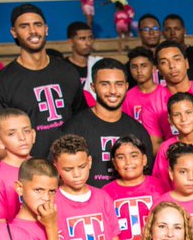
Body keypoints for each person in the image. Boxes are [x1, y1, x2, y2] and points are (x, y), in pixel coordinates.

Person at [0, 5, 85, 159]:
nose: (32, 31)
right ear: (14, 32)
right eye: (24, 26)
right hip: (31, 170)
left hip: (70, 167)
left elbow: (81, 120)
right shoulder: (2, 82)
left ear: (46, 29)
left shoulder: (68, 71)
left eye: (37, 24)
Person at [61, 59, 153, 188]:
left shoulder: (138, 131)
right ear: (93, 87)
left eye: (119, 84)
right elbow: (60, 174)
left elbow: (147, 179)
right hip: (88, 200)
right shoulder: (73, 128)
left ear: (126, 86)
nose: (113, 91)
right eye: (105, 84)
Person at [103, 135, 166, 240]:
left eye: (134, 156)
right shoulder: (106, 193)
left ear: (144, 159)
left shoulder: (160, 186)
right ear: (114, 163)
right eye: (121, 157)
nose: (128, 162)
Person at [0, 109, 33, 221]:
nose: (22, 137)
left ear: (34, 135)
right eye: (12, 133)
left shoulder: (44, 166)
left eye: (26, 131)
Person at [64, 22, 101, 90]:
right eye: (82, 38)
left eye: (90, 38)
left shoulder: (99, 64)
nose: (88, 43)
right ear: (70, 42)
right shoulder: (63, 67)